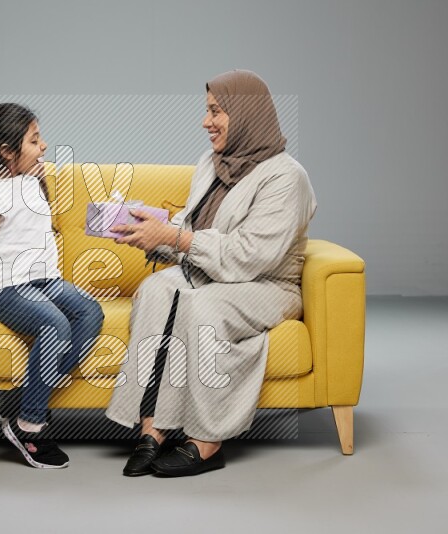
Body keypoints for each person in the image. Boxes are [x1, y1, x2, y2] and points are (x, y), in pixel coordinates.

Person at [105, 69, 317, 477]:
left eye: (216, 111)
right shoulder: (212, 162)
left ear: (246, 114)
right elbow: (193, 225)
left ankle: (206, 441)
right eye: (207, 111)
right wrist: (153, 229)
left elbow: (251, 255)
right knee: (155, 290)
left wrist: (174, 236)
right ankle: (154, 426)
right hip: (215, 273)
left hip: (267, 284)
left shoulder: (287, 177)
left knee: (203, 309)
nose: (206, 122)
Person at [0, 103, 105, 469]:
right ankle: (29, 424)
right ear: (6, 151)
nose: (44, 146)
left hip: (44, 280)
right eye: (35, 140)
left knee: (89, 312)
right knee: (54, 324)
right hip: (5, 287)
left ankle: (19, 397)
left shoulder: (32, 180)